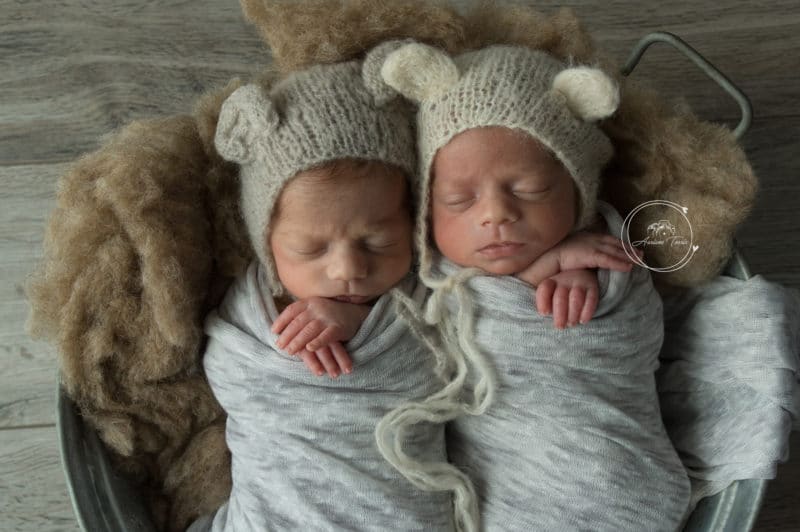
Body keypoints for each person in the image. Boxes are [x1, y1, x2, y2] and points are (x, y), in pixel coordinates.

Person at [377, 41, 692, 531]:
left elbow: (641, 332)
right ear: (425, 213)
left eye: (530, 190)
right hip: (505, 496)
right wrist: (533, 272)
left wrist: (587, 275)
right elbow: (404, 355)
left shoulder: (603, 257)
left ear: (577, 192)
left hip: (614, 480)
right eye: (459, 199)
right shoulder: (428, 279)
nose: (496, 214)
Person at [189, 47, 479, 532]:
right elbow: (230, 368)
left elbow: (461, 359)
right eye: (310, 248)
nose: (347, 268)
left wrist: (365, 327)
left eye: (378, 240)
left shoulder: (429, 287)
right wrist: (286, 346)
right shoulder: (249, 306)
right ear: (267, 245)